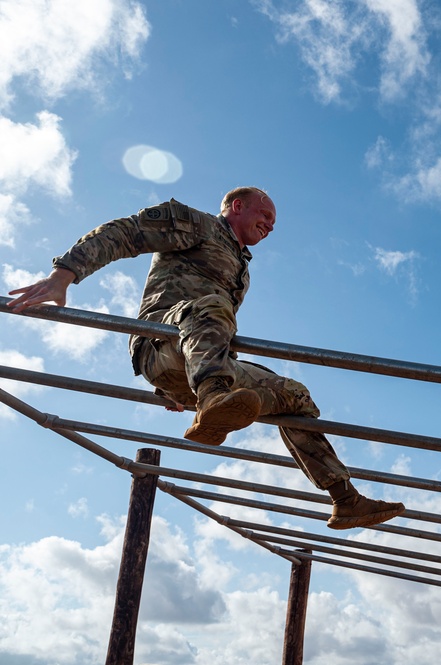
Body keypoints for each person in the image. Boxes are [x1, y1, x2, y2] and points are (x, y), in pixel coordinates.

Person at [6, 187, 405, 530]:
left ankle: (344, 499)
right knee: (211, 306)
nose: (269, 225)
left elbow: (217, 332)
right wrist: (63, 276)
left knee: (294, 394)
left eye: (273, 223)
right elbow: (124, 232)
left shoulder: (241, 269)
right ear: (236, 206)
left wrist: (195, 377)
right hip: (160, 344)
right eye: (264, 214)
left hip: (199, 359)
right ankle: (212, 396)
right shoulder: (198, 225)